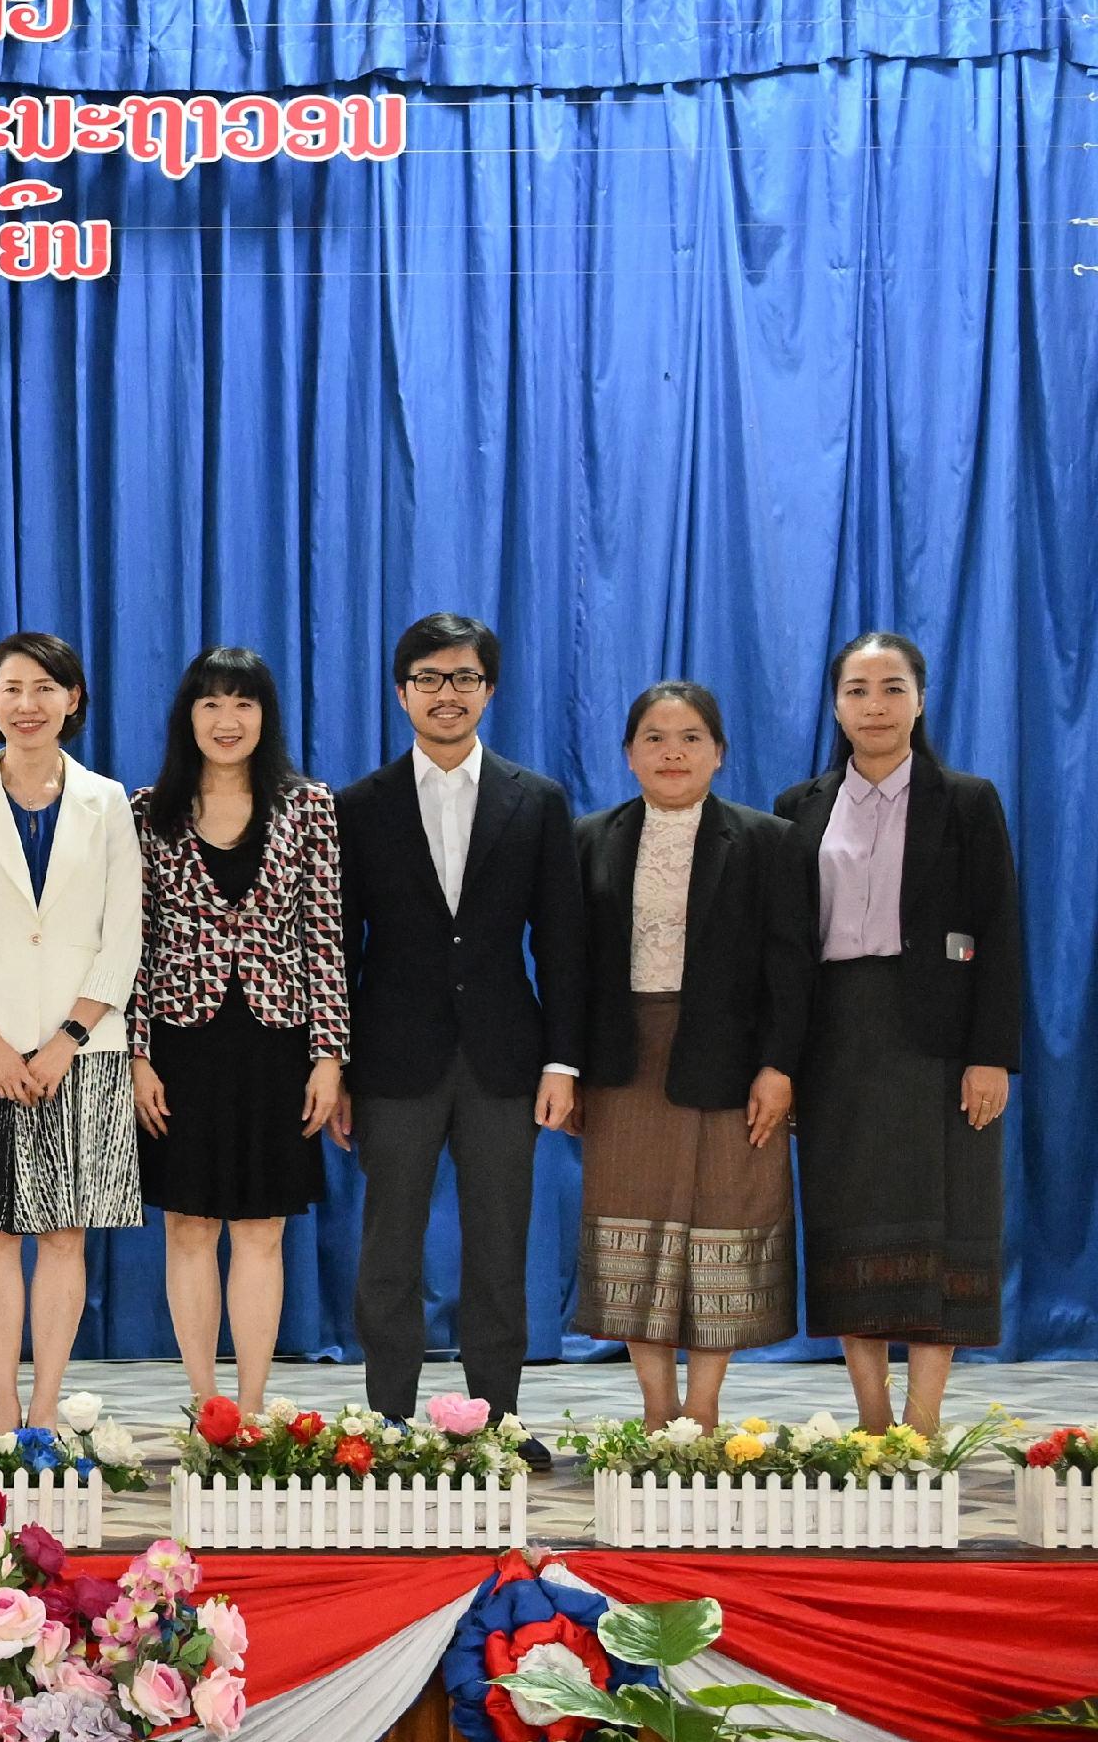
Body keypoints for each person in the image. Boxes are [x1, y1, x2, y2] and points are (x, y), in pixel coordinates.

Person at [333, 612, 583, 1432]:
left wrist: (563, 1063)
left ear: (490, 690)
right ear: (402, 691)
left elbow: (564, 941)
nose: (448, 694)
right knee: (388, 1254)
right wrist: (335, 1068)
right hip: (391, 1060)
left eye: (465, 679)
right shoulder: (359, 806)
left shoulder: (537, 801)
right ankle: (388, 1425)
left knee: (500, 1251)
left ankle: (495, 1421)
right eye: (431, 679)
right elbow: (336, 946)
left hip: (506, 1060)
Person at [775, 631, 1021, 1435]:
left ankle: (924, 1424)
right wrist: (784, 1061)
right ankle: (873, 1423)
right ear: (835, 705)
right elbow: (782, 952)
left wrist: (992, 1055)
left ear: (919, 698)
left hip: (940, 1041)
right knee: (851, 1222)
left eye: (891, 688)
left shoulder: (968, 801)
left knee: (942, 1225)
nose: (874, 706)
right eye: (856, 690)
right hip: (836, 1036)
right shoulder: (799, 808)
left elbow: (1001, 934)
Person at [574, 681, 811, 1428]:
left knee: (726, 1219)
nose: (671, 752)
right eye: (653, 737)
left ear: (719, 753)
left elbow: (794, 965)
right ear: (627, 754)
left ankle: (702, 1411)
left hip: (734, 1059)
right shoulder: (589, 839)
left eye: (689, 738)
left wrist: (781, 1066)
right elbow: (569, 966)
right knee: (632, 1223)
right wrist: (570, 1067)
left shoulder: (768, 839)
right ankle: (654, 1407)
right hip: (623, 1058)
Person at [0, 632, 144, 1435]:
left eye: (45, 688)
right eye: (12, 689)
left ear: (73, 700)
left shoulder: (109, 799)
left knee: (63, 1233)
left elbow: (123, 933)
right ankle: (1, 1405)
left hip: (83, 1049)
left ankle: (47, 1405)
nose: (28, 704)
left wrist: (68, 1041)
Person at [128, 647, 345, 1416]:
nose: (228, 720)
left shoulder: (309, 807)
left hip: (276, 1042)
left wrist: (329, 1055)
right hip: (179, 1043)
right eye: (211, 703)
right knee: (188, 1225)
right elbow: (135, 942)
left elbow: (325, 936)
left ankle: (251, 1410)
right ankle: (204, 1404)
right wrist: (136, 1055)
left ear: (266, 715)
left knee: (261, 1229)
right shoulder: (148, 810)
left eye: (244, 703)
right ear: (188, 716)